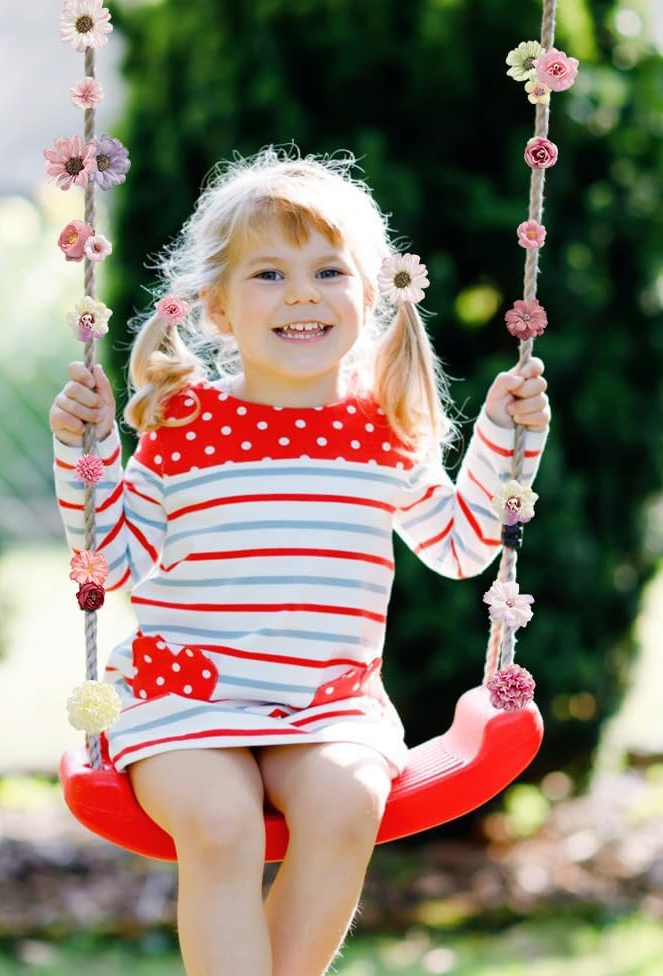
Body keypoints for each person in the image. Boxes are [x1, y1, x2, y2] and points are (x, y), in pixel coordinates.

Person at [49, 146, 550, 976]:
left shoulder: (383, 431)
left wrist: (505, 433)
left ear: (370, 295)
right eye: (270, 275)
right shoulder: (184, 428)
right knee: (222, 826)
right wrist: (85, 452)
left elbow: (462, 547)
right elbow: (112, 562)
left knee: (348, 805)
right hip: (185, 700)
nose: (303, 294)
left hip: (326, 708)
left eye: (328, 271)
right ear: (217, 307)